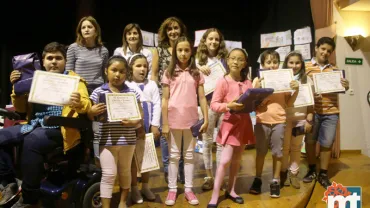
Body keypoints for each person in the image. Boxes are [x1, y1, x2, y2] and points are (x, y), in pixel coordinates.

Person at [1, 42, 91, 207]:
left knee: (33, 140)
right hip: (34, 124)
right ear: (43, 61)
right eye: (50, 58)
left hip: (61, 129)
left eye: (58, 58)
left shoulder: (75, 80)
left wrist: (78, 103)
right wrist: (16, 88)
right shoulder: (34, 79)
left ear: (65, 61)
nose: (54, 61)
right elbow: (21, 109)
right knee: (1, 136)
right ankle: (9, 183)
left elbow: (87, 106)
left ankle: (29, 197)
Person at [88, 55, 144, 208]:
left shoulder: (132, 92)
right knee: (109, 174)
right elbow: (90, 115)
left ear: (127, 73)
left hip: (128, 140)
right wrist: (91, 111)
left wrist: (134, 122)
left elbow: (140, 114)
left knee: (125, 171)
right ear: (106, 71)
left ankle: (122, 202)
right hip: (106, 140)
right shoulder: (98, 92)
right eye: (114, 70)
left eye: (122, 71)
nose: (117, 74)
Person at [161, 36, 208, 206]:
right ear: (175, 52)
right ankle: (172, 189)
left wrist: (206, 118)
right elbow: (165, 100)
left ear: (191, 52)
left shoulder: (197, 73)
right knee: (173, 156)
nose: (183, 53)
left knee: (189, 156)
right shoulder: (169, 72)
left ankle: (188, 188)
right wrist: (165, 123)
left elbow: (202, 98)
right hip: (173, 120)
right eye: (179, 50)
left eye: (186, 50)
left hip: (191, 121)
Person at [207, 48, 254, 207]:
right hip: (230, 124)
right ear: (227, 60)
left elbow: (251, 103)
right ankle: (215, 195)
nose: (236, 62)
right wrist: (228, 105)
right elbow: (214, 104)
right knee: (225, 160)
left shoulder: (248, 82)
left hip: (244, 124)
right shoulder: (223, 81)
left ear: (245, 63)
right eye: (233, 58)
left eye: (240, 59)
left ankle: (231, 190)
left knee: (236, 160)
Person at [249, 50, 299, 198]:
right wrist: (255, 88)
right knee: (261, 152)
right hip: (261, 120)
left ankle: (275, 180)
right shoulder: (258, 80)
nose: (272, 65)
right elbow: (252, 104)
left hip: (279, 121)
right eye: (268, 62)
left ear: (279, 64)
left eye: (275, 62)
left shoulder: (285, 80)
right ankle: (257, 179)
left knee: (278, 153)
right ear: (263, 64)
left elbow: (289, 103)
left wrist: (295, 90)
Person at [303, 37, 349, 189]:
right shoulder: (305, 67)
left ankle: (323, 173)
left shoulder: (335, 70)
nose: (325, 52)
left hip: (331, 112)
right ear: (316, 48)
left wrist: (345, 86)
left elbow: (341, 89)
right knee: (309, 142)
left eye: (329, 51)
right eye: (323, 49)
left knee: (327, 143)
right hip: (312, 111)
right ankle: (311, 169)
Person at [154, 16, 187, 184]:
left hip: (182, 98)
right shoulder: (158, 50)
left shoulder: (185, 49)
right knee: (166, 134)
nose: (173, 31)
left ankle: (180, 169)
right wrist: (156, 96)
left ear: (181, 30)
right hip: (164, 97)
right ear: (165, 32)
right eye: (170, 29)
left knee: (182, 133)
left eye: (176, 28)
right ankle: (168, 169)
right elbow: (154, 75)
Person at [195, 28, 228, 190]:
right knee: (207, 142)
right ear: (205, 40)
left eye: (216, 39)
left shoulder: (225, 59)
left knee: (222, 141)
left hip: (223, 105)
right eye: (210, 39)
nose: (213, 42)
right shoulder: (197, 59)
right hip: (206, 104)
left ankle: (221, 177)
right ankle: (209, 176)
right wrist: (198, 69)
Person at [126, 54, 161, 203]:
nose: (142, 69)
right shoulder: (127, 85)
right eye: (138, 66)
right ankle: (134, 188)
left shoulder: (152, 84)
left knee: (147, 157)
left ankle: (145, 186)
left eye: (145, 66)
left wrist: (155, 124)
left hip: (147, 125)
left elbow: (157, 104)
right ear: (131, 68)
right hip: (132, 125)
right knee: (133, 160)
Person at [280, 51, 314, 189]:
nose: (294, 65)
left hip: (300, 119)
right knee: (284, 148)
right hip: (284, 118)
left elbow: (311, 102)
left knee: (296, 148)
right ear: (286, 63)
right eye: (291, 62)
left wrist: (309, 119)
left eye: (297, 63)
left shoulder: (307, 79)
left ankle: (293, 174)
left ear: (302, 64)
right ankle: (282, 173)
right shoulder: (281, 78)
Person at [66, 16, 109, 94]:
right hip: (79, 88)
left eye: (89, 27)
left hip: (98, 88)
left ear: (96, 31)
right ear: (80, 31)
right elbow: (69, 72)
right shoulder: (73, 48)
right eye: (83, 28)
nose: (86, 30)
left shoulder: (103, 50)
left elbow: (105, 73)